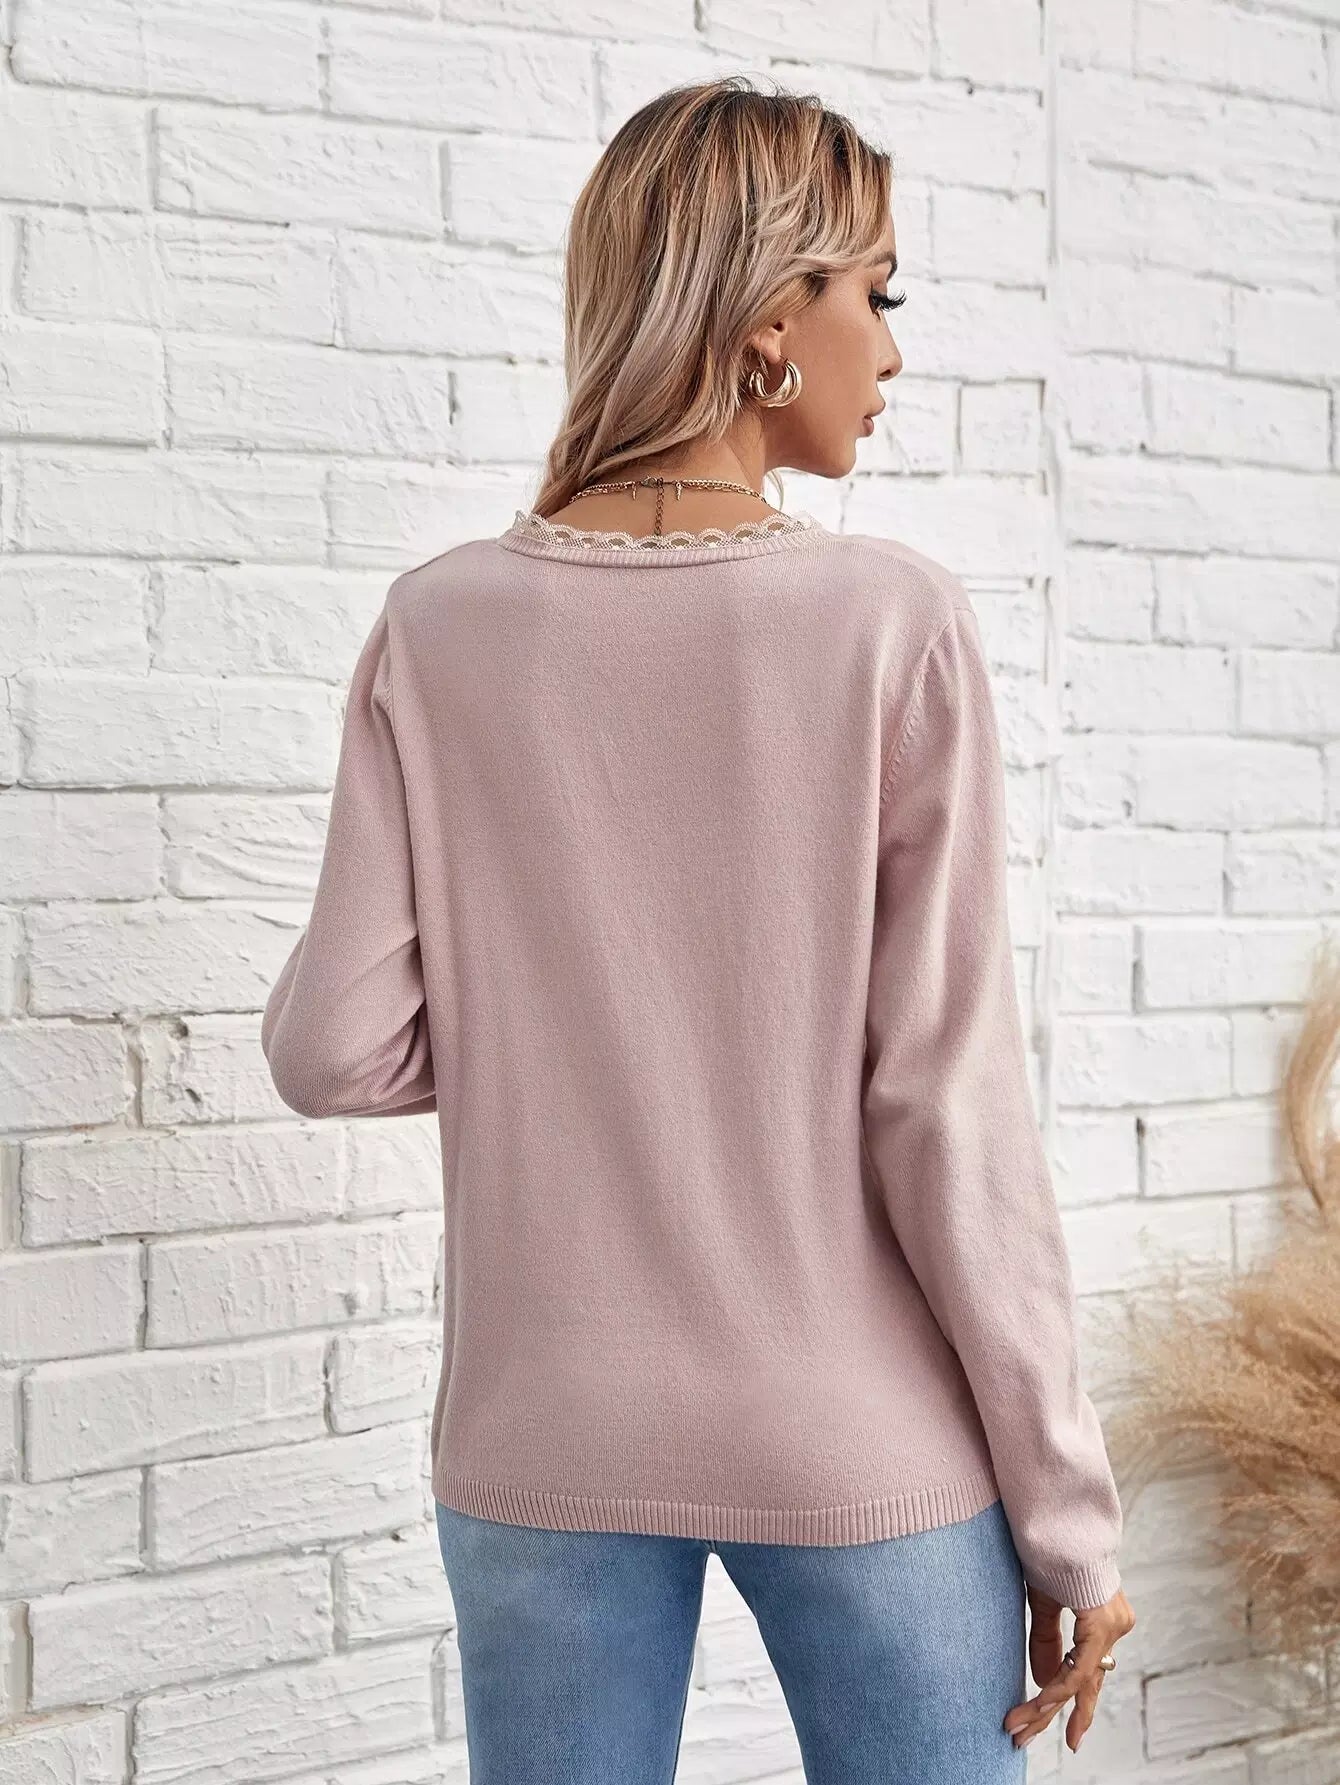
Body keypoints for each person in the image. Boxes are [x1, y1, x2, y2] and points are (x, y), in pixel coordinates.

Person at [261, 74, 1135, 1784]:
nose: (894, 351)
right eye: (875, 292)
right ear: (767, 323)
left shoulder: (437, 628)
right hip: (853, 1436)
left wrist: (553, 1020)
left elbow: (330, 1046)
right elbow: (946, 1112)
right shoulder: (889, 624)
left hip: (541, 1432)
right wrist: (1071, 1525)